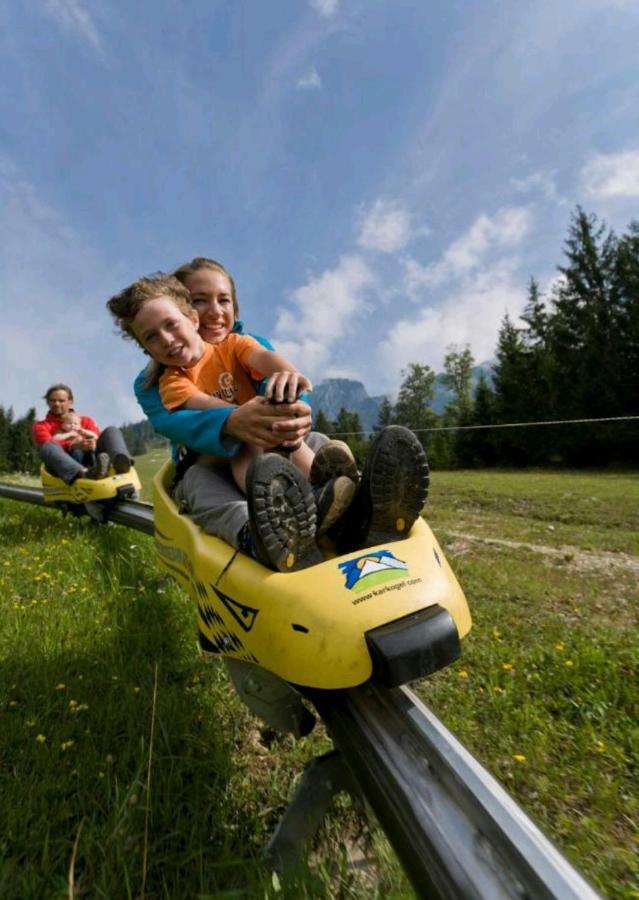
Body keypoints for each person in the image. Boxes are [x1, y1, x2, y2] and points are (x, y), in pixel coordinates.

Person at [32, 384, 134, 484]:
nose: (57, 404)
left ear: (70, 401)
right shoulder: (41, 426)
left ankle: (120, 462)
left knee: (111, 430)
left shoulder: (85, 421)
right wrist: (74, 445)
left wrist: (91, 443)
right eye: (53, 400)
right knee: (47, 446)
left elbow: (98, 438)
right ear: (48, 402)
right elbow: (50, 448)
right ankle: (84, 473)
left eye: (61, 401)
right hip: (64, 467)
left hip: (92, 456)